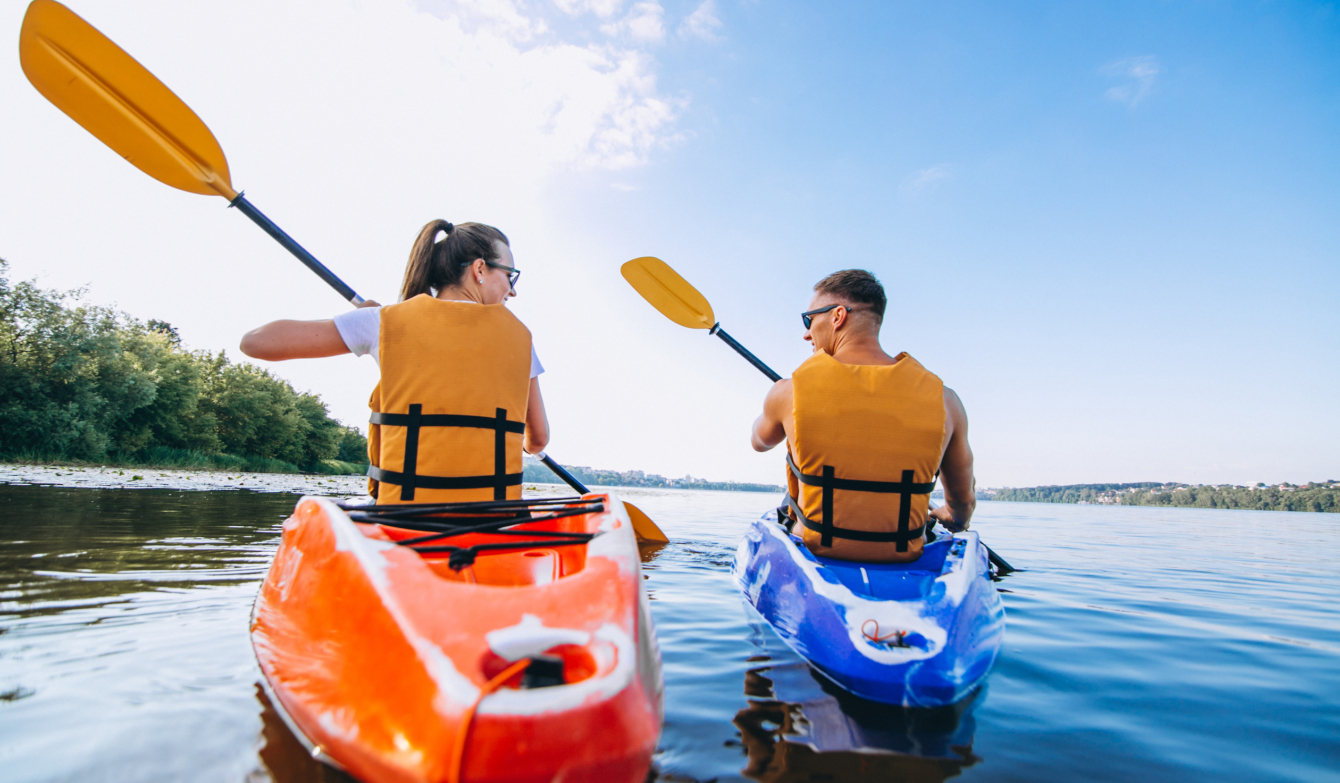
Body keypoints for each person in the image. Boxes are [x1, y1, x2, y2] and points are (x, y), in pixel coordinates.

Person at [240, 220, 549, 504]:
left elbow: (255, 342)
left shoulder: (383, 322)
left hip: (401, 515)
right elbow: (538, 440)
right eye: (509, 275)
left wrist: (362, 321)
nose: (512, 290)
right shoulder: (521, 340)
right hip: (492, 517)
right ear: (480, 269)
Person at [750, 269, 975, 563]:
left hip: (814, 550)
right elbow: (962, 504)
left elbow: (759, 442)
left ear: (837, 316)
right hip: (905, 558)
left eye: (809, 320)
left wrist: (782, 397)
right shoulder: (947, 401)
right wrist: (953, 518)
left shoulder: (788, 392)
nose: (806, 333)